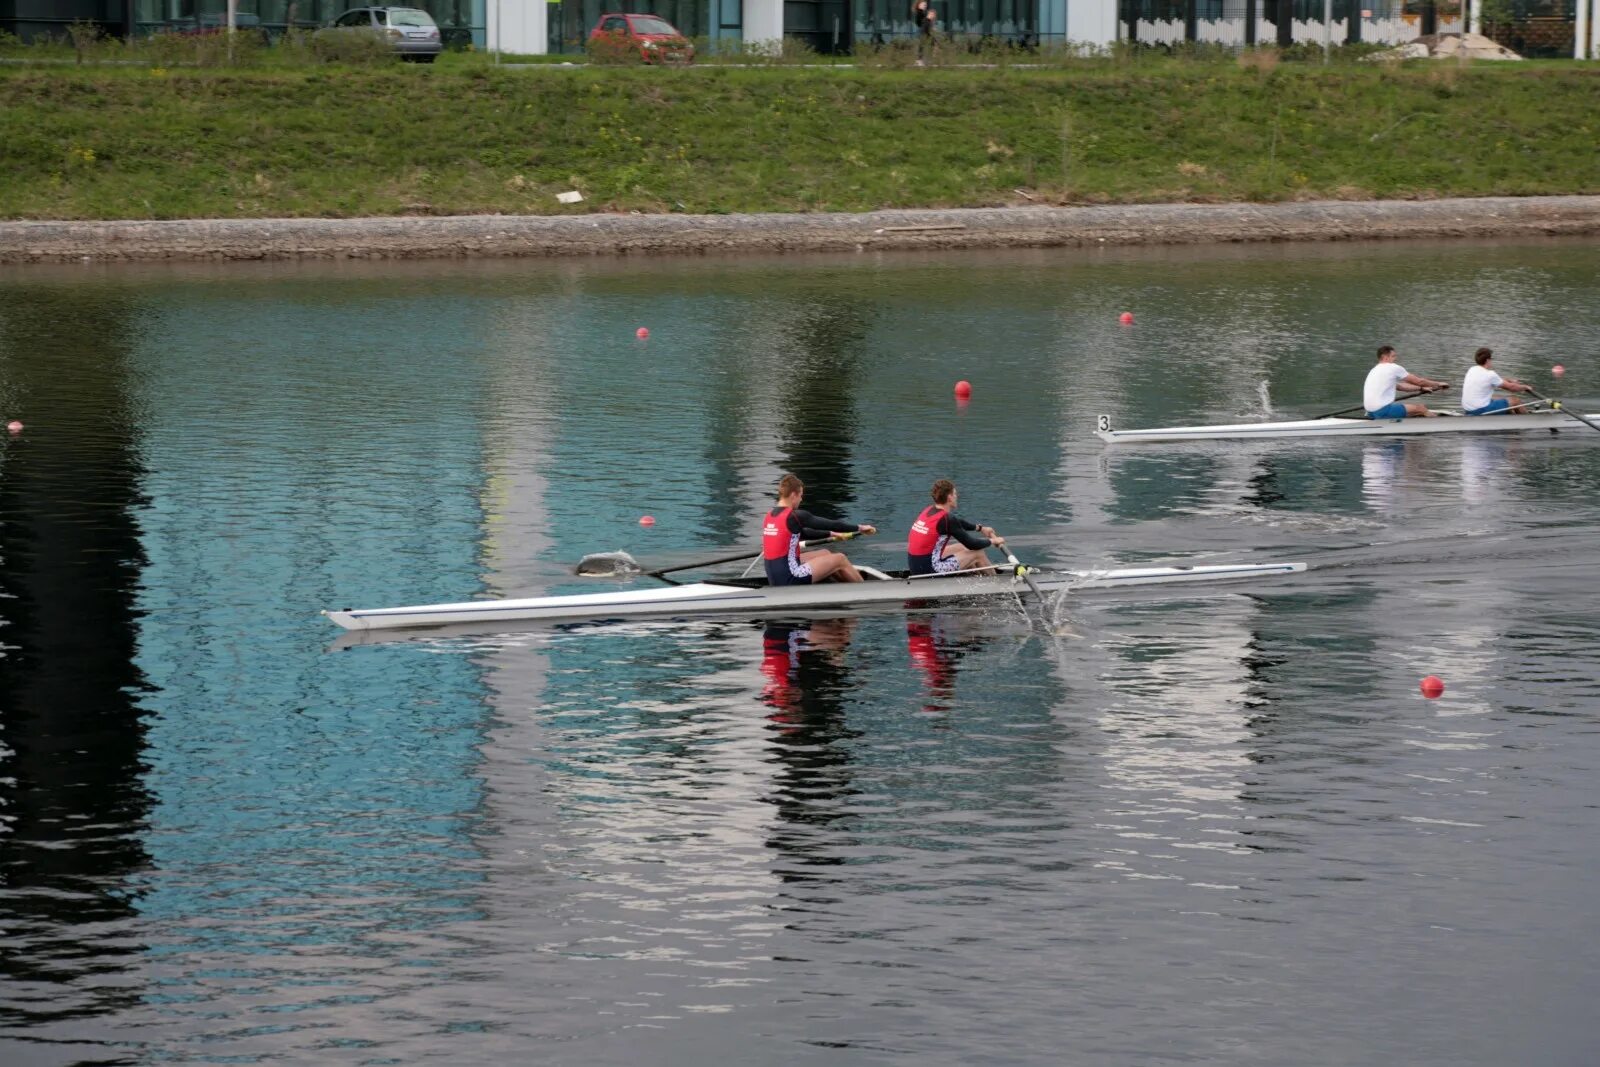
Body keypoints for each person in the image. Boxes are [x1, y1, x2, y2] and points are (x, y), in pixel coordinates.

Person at [762, 473, 876, 586]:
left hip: (774, 574)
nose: (801, 499)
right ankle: (866, 590)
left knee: (825, 553)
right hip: (790, 577)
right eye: (801, 495)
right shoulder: (795, 516)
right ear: (793, 495)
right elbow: (833, 524)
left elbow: (804, 533)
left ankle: (842, 584)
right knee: (840, 558)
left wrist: (832, 534)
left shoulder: (769, 516)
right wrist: (860, 528)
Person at [906, 479, 1005, 576]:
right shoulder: (947, 519)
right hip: (928, 570)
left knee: (962, 547)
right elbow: (972, 544)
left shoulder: (929, 510)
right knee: (978, 553)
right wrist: (993, 541)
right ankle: (998, 585)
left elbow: (958, 523)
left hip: (916, 565)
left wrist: (981, 528)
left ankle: (976, 577)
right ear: (949, 497)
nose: (957, 496)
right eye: (955, 494)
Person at [1364, 345, 1449, 419]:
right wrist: (1438, 384)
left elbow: (1400, 387)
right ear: (1385, 357)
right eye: (1393, 356)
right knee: (1421, 408)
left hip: (1370, 412)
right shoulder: (1393, 367)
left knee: (1413, 411)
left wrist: (1421, 388)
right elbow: (1419, 381)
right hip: (1382, 411)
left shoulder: (1374, 370)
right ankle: (1438, 424)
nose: (1395, 358)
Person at [1461, 347, 1532, 415]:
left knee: (1498, 398)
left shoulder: (1472, 369)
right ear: (1487, 360)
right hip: (1479, 410)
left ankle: (1511, 419)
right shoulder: (1490, 374)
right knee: (1515, 401)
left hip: (1468, 410)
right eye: (1491, 359)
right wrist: (1525, 387)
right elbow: (1512, 388)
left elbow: (1496, 380)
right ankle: (1529, 422)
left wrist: (1509, 380)